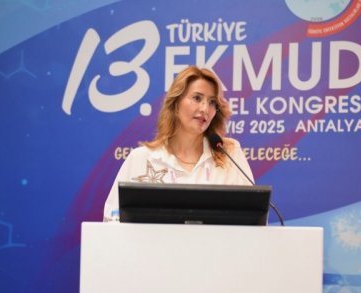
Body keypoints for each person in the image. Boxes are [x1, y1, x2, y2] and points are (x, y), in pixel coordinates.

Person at [103, 66, 253, 221]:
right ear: (175, 104)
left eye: (212, 102)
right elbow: (112, 220)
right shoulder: (141, 159)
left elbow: (253, 218)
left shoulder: (231, 154)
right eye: (197, 98)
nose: (205, 109)